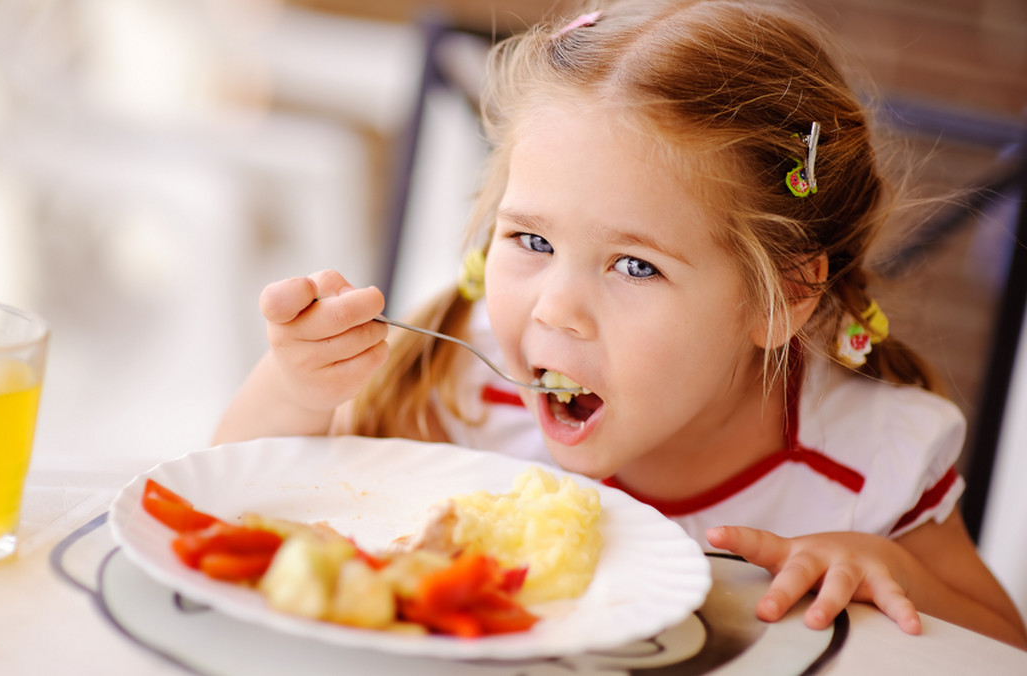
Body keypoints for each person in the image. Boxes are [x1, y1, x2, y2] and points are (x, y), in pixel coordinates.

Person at [214, 0, 1027, 648]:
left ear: (781, 297)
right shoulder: (463, 391)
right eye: (531, 240)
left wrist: (890, 572)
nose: (555, 308)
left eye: (635, 266)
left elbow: (1003, 648)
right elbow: (232, 511)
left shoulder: (860, 468)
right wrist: (293, 390)